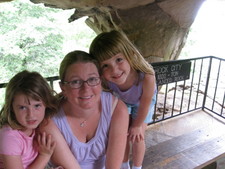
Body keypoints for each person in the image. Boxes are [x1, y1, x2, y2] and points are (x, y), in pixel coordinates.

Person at [39, 50, 129, 169]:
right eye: (76, 82)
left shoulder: (117, 109)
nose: (86, 89)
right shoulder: (49, 120)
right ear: (63, 88)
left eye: (92, 79)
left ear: (100, 81)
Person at [89, 30, 157, 169]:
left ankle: (137, 167)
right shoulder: (106, 81)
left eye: (119, 60)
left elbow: (145, 104)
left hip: (142, 103)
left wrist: (137, 125)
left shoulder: (147, 77)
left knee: (138, 136)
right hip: (123, 102)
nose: (114, 70)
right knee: (122, 134)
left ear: (130, 56)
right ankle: (124, 165)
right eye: (105, 65)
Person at [0, 70, 59, 169]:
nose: (31, 115)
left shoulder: (39, 126)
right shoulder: (10, 137)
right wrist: (44, 156)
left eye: (37, 106)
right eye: (22, 107)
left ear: (46, 103)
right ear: (12, 108)